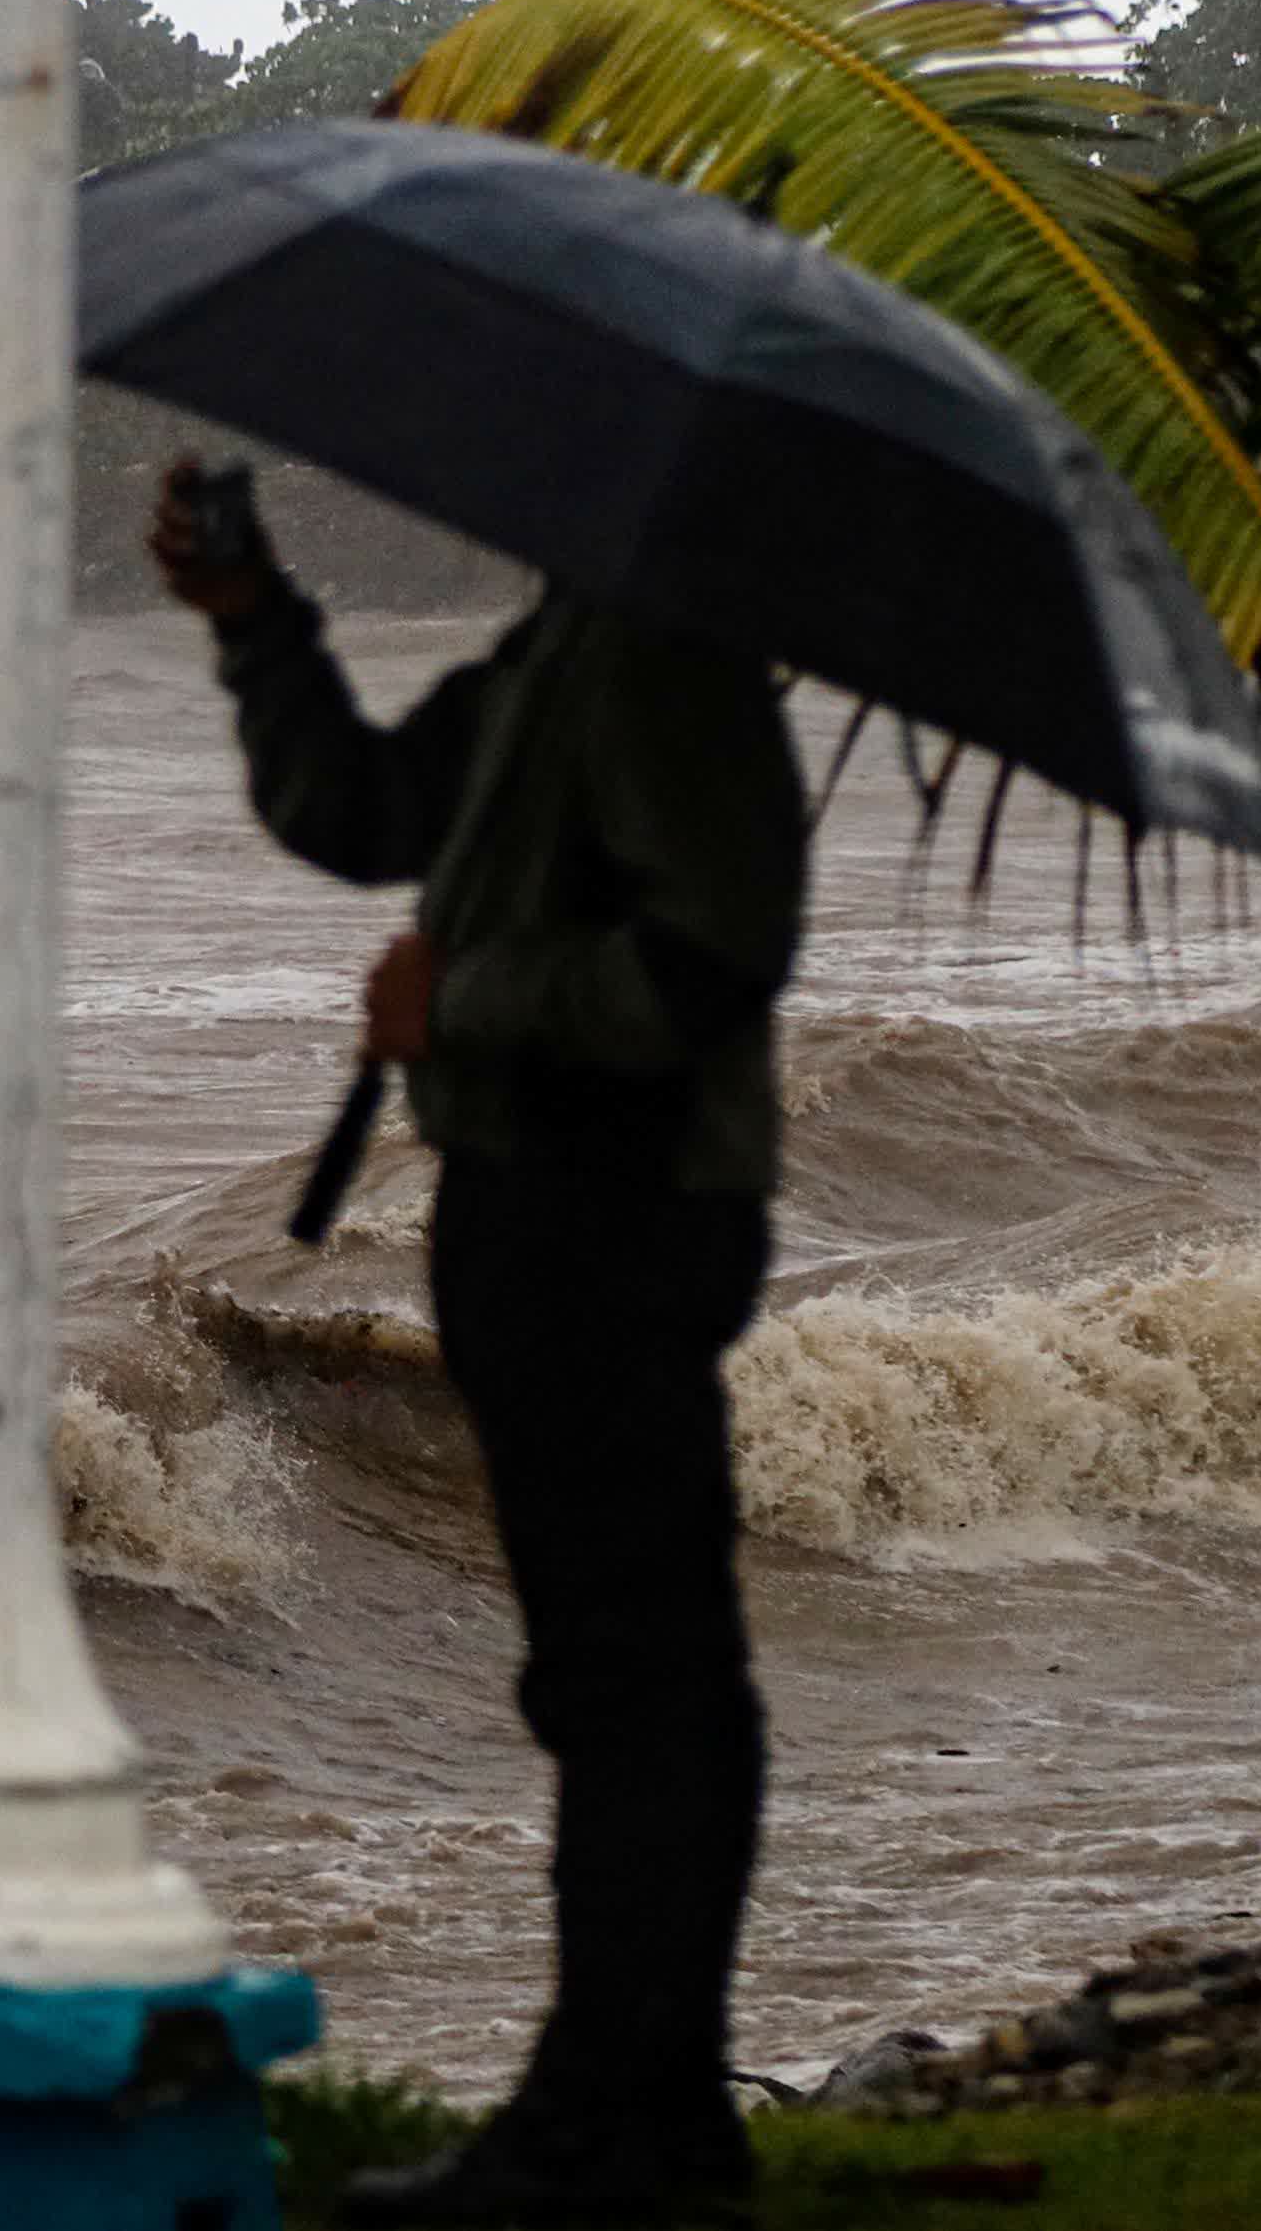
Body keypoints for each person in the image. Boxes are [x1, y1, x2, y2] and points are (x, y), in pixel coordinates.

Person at [150, 455, 808, 2228]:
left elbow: (718, 951)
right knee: (614, 1669)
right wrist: (256, 621)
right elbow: (364, 808)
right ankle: (634, 2102)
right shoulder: (561, 654)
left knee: (638, 1670)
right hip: (533, 1196)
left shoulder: (669, 662)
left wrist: (473, 1000)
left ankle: (623, 2119)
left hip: (622, 1207)